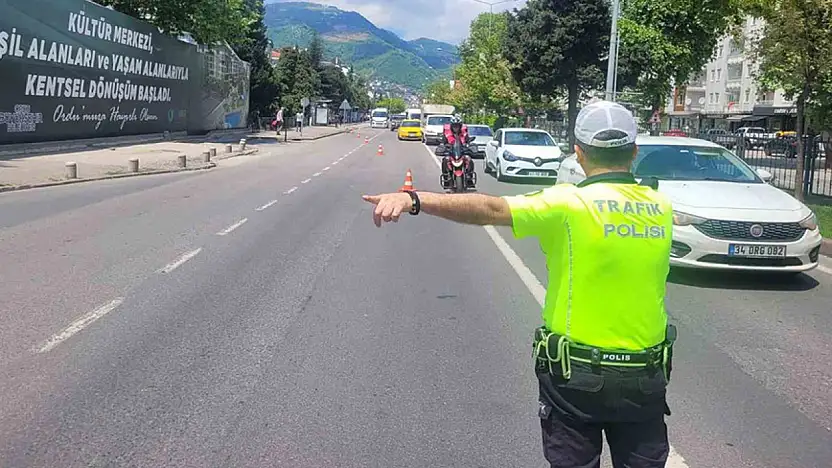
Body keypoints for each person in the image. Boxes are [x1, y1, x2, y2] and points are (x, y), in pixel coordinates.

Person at [362, 101, 676, 468]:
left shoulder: (568, 203)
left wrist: (414, 199)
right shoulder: (661, 206)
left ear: (578, 153)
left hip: (577, 378)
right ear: (634, 152)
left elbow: (491, 209)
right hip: (646, 377)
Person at [436, 114, 475, 187]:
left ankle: (469, 178)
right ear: (451, 126)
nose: (456, 128)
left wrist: (469, 146)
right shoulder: (447, 134)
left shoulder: (464, 133)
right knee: (445, 160)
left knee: (469, 160)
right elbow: (443, 142)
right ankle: (446, 178)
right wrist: (443, 146)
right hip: (451, 153)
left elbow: (468, 141)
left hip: (461, 153)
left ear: (460, 126)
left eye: (457, 126)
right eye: (454, 126)